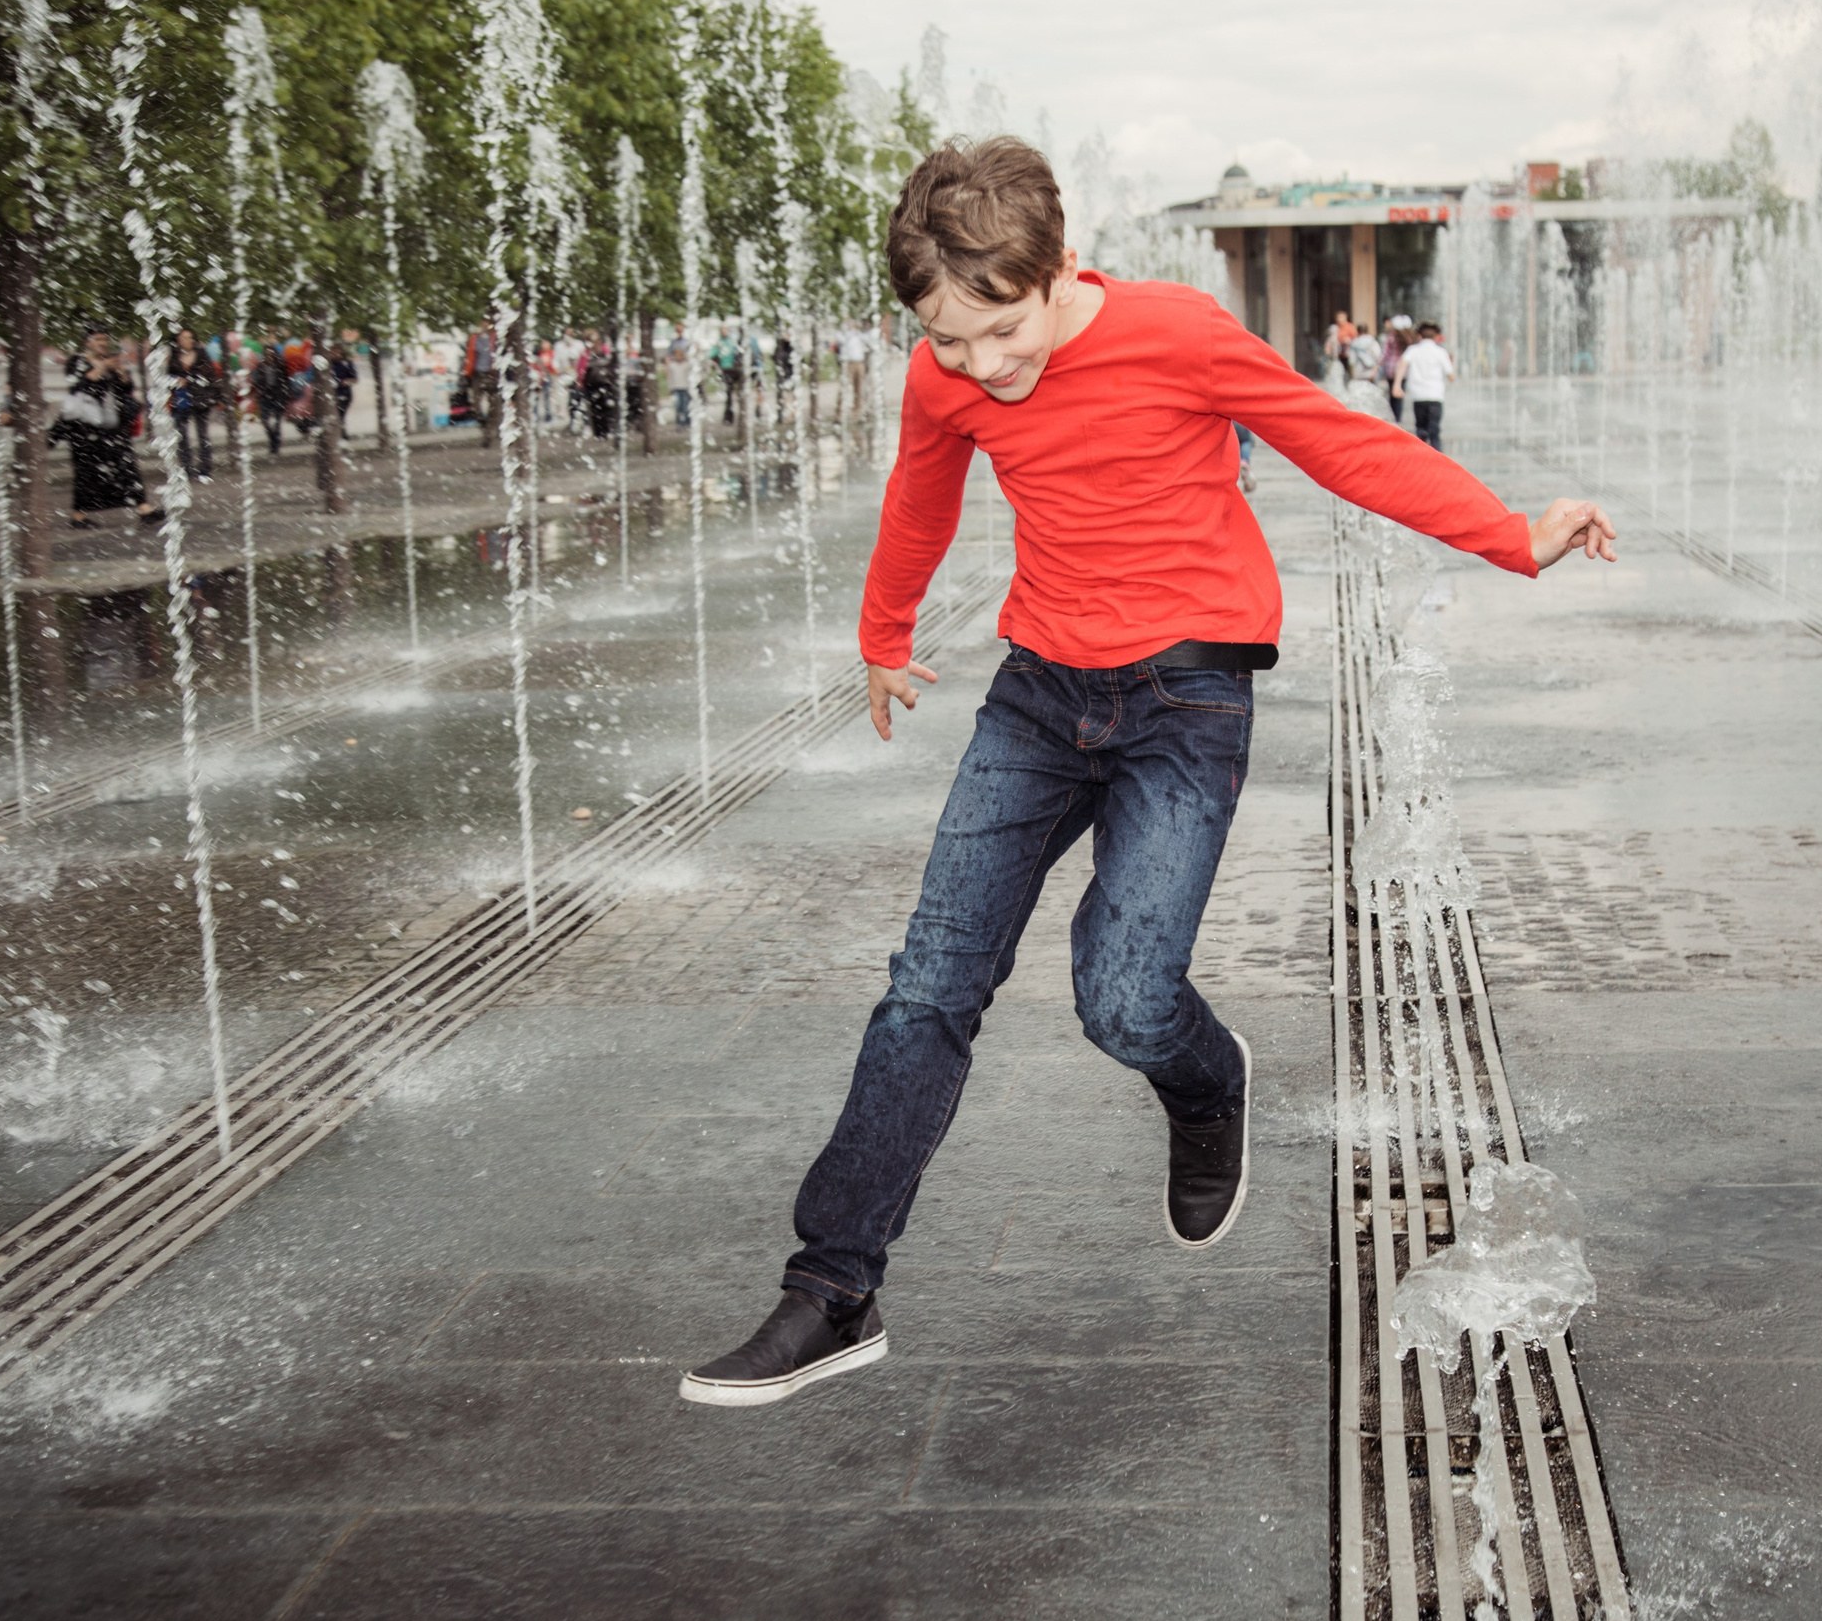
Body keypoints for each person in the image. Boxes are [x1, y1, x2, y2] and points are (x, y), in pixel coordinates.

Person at [678, 136, 1615, 1409]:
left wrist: (1508, 533)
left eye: (1000, 332)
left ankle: (1204, 1076)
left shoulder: (1176, 332)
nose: (980, 368)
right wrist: (884, 641)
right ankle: (834, 1288)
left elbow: (1337, 441)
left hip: (1186, 699)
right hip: (1037, 696)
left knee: (1121, 1000)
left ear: (1059, 269)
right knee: (926, 987)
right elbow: (919, 496)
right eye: (949, 343)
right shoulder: (942, 372)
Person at [50, 326, 146, 527]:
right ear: (87, 342)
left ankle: (144, 508)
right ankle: (78, 516)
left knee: (126, 466)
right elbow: (79, 387)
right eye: (97, 339)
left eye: (105, 340)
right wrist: (102, 368)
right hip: (85, 428)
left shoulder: (111, 363)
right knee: (86, 472)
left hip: (111, 427)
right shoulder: (77, 361)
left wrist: (120, 371)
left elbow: (127, 388)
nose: (102, 343)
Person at [164, 327, 224, 484]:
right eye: (183, 338)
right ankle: (187, 468)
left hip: (200, 399)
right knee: (182, 435)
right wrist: (175, 382)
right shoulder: (174, 357)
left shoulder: (201, 354)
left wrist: (210, 394)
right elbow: (166, 378)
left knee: (203, 435)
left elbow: (210, 376)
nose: (187, 340)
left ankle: (205, 468)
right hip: (181, 400)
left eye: (190, 337)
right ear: (177, 340)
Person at [1393, 322, 1457, 451]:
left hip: (1418, 396)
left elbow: (1402, 364)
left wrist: (1397, 385)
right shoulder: (1440, 352)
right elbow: (1451, 377)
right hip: (1435, 396)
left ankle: (1422, 460)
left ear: (1420, 336)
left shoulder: (1413, 350)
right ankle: (1438, 461)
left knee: (1421, 430)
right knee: (1434, 432)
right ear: (1436, 337)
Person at [250, 335, 292, 455]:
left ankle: (276, 444)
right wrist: (258, 390)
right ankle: (272, 437)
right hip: (265, 395)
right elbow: (257, 380)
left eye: (271, 352)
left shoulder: (280, 365)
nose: (269, 355)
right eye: (267, 352)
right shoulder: (261, 366)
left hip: (278, 394)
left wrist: (287, 392)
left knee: (278, 421)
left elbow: (285, 379)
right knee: (265, 420)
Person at [1380, 315, 1412, 423]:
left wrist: (1377, 364)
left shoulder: (1391, 338)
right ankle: (1398, 418)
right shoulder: (1409, 339)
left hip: (1390, 368)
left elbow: (1385, 353)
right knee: (1400, 393)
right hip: (1403, 370)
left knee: (1392, 393)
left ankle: (1393, 417)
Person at [839, 319, 872, 415]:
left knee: (859, 387)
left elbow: (868, 341)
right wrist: (851, 331)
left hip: (860, 363)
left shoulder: (860, 335)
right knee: (844, 387)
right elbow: (842, 341)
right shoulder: (844, 334)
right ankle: (839, 413)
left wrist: (858, 331)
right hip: (849, 363)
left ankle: (857, 411)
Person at [715, 327, 744, 424]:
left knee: (738, 394)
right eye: (722, 331)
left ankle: (738, 415)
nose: (724, 332)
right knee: (728, 394)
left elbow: (739, 353)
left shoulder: (732, 342)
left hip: (734, 370)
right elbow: (712, 354)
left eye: (725, 330)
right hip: (725, 370)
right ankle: (729, 416)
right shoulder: (719, 342)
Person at [667, 324, 693, 427]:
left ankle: (687, 421)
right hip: (676, 387)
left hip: (685, 386)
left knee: (686, 405)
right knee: (678, 406)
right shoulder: (673, 343)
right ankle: (679, 423)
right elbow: (669, 375)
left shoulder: (687, 343)